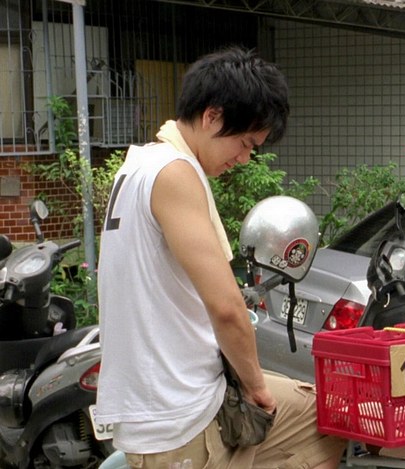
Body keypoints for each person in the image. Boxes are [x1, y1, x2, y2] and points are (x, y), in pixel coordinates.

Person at [95, 47, 344, 468]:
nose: (245, 158)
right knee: (325, 420)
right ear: (212, 116)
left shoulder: (139, 164)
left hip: (157, 407)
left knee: (317, 412)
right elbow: (226, 309)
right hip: (181, 415)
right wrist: (255, 386)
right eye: (245, 143)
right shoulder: (176, 172)